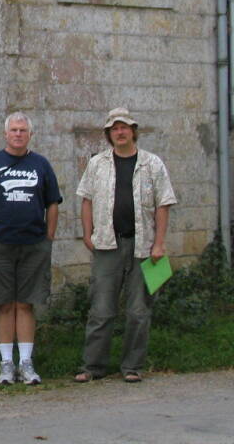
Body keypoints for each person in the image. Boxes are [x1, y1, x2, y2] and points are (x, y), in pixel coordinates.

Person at [74, 107, 177, 383]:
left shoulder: (152, 163)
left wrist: (159, 243)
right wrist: (87, 234)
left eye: (124, 127)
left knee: (138, 311)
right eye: (114, 128)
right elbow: (86, 199)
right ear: (109, 134)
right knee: (101, 309)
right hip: (107, 245)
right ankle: (93, 367)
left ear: (133, 131)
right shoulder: (97, 164)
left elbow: (163, 204)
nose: (120, 132)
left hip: (143, 247)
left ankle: (132, 367)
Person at [0, 112, 62, 385]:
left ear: (30, 134)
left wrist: (48, 238)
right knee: (5, 304)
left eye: (23, 130)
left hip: (33, 245)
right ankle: (6, 365)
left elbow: (53, 203)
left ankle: (26, 364)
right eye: (14, 130)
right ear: (6, 134)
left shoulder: (40, 165)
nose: (18, 134)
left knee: (25, 304)